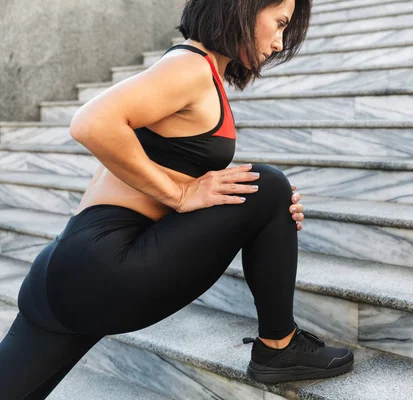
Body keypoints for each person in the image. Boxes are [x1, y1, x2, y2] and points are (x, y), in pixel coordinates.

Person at [0, 0, 354, 397]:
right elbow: (91, 122)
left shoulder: (192, 69)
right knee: (267, 185)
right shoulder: (190, 67)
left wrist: (268, 217)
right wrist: (182, 194)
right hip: (107, 264)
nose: (278, 43)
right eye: (279, 24)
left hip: (68, 268)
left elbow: (169, 165)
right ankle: (279, 346)